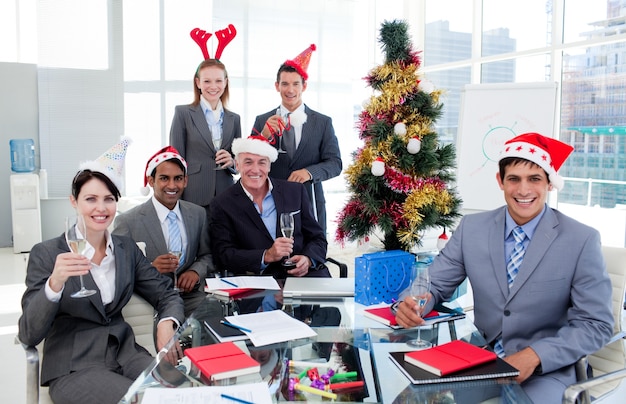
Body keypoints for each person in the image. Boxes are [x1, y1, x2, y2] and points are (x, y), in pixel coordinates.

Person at [394, 132, 614, 403]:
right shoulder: (472, 229)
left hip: (546, 370)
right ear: (500, 181)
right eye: (514, 179)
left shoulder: (581, 239)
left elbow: (596, 324)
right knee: (407, 398)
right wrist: (413, 303)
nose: (523, 190)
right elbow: (434, 284)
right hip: (478, 361)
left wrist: (534, 355)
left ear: (549, 183)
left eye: (534, 179)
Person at [18, 138, 185, 404]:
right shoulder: (47, 253)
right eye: (91, 199)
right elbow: (28, 333)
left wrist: (167, 323)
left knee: (183, 394)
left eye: (108, 199)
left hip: (127, 355)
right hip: (75, 366)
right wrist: (55, 283)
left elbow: (166, 294)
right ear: (74, 202)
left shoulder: (126, 249)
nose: (101, 208)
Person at [209, 135, 331, 280]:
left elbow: (318, 238)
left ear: (269, 166)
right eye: (248, 162)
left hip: (306, 277)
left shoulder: (295, 191)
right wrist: (266, 255)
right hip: (258, 282)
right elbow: (223, 255)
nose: (255, 170)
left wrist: (309, 259)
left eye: (262, 162)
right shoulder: (222, 203)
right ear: (237, 164)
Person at [113, 145, 215, 317]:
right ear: (151, 181)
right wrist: (150, 268)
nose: (172, 185)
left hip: (191, 297)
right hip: (150, 301)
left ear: (186, 181)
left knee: (214, 323)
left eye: (178, 178)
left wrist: (195, 271)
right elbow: (117, 270)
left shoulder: (198, 214)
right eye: (164, 178)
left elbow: (208, 255)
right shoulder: (127, 221)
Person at [251, 44, 342, 235]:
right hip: (271, 201)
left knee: (312, 256)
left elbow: (335, 163)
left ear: (304, 86)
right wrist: (264, 136)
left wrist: (309, 172)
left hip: (310, 203)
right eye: (284, 84)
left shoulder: (322, 122)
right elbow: (249, 162)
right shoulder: (262, 120)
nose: (290, 90)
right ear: (277, 86)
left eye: (295, 84)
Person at [170, 58, 242, 216]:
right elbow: (176, 160)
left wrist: (232, 161)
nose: (213, 86)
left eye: (218, 80)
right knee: (197, 240)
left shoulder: (234, 119)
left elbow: (239, 162)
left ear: (225, 82)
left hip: (226, 194)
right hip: (194, 193)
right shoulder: (183, 113)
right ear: (198, 83)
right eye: (207, 81)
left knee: (224, 240)